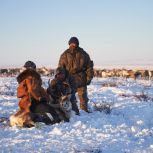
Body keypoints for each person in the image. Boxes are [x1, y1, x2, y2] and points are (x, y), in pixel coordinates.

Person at [16, 61, 60, 125]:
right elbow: (31, 90)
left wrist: (46, 97)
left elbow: (39, 89)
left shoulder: (27, 78)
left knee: (51, 110)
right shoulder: (31, 78)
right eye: (33, 68)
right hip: (32, 103)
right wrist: (39, 98)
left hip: (27, 104)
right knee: (53, 114)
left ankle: (37, 118)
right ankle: (39, 121)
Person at [58, 37, 94, 112]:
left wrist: (89, 78)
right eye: (71, 43)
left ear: (77, 44)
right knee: (69, 97)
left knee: (83, 98)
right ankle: (70, 112)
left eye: (74, 43)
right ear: (69, 44)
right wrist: (61, 79)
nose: (73, 45)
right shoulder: (64, 55)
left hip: (81, 79)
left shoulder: (83, 54)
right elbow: (60, 68)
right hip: (69, 80)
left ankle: (84, 112)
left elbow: (89, 67)